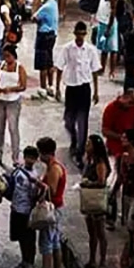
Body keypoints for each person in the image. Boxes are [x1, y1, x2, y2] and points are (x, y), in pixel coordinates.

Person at [54, 21, 102, 169]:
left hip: (84, 88)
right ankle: (74, 138)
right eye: (78, 33)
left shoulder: (90, 50)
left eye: (83, 34)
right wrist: (57, 88)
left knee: (83, 121)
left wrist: (96, 91)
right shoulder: (68, 49)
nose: (80, 36)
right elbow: (60, 67)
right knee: (69, 119)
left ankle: (80, 152)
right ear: (75, 33)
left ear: (85, 34)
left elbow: (94, 71)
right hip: (71, 87)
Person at [31, 137, 66, 268]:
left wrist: (39, 183)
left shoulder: (54, 169)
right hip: (57, 208)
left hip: (52, 210)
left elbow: (50, 190)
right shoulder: (54, 167)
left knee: (46, 243)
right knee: (55, 242)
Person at [10, 146, 45, 268]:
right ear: (24, 157)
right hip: (16, 209)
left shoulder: (35, 176)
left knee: (28, 239)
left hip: (27, 211)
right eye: (28, 157)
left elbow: (38, 192)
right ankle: (24, 261)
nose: (30, 160)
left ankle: (30, 265)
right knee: (20, 237)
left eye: (33, 158)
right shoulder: (18, 172)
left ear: (36, 160)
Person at [0, 44, 27, 166]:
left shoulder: (19, 68)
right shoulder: (0, 65)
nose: (6, 58)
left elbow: (23, 85)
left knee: (13, 128)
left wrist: (11, 89)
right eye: (4, 56)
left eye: (8, 56)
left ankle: (15, 157)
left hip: (13, 101)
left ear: (13, 56)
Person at [81, 134, 110, 268]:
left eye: (89, 143)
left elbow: (102, 181)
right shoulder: (89, 160)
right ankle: (92, 260)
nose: (86, 146)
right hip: (90, 202)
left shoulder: (99, 162)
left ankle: (102, 263)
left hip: (96, 201)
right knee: (92, 233)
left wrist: (88, 183)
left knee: (100, 233)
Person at [33, 0, 59, 100]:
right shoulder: (54, 3)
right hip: (52, 34)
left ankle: (42, 88)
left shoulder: (46, 7)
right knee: (49, 61)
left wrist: (36, 3)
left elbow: (34, 17)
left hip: (43, 36)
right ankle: (50, 86)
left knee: (42, 63)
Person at [96, 0, 121, 78]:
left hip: (109, 22)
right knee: (103, 47)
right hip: (102, 19)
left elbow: (113, 10)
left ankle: (112, 71)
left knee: (112, 48)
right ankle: (102, 67)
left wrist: (110, 26)